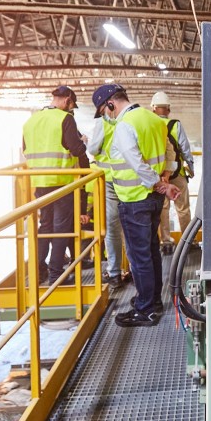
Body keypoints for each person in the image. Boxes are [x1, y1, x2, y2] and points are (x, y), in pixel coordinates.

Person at [90, 83, 180, 327]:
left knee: (140, 257)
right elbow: (168, 154)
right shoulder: (153, 120)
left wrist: (159, 185)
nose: (106, 115)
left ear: (111, 104)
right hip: (152, 199)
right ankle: (152, 300)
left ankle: (146, 309)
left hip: (135, 199)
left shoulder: (124, 126)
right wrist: (164, 182)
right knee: (151, 251)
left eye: (104, 110)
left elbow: (136, 163)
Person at [22, 85, 89, 285]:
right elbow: (77, 149)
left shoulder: (31, 121)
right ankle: (55, 275)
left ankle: (39, 271)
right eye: (71, 105)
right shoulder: (65, 119)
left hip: (40, 182)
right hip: (62, 183)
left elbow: (26, 149)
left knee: (45, 227)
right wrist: (83, 141)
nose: (71, 110)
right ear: (68, 100)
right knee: (61, 229)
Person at [86, 114, 128, 289]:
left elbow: (93, 149)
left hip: (110, 180)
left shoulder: (102, 123)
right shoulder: (130, 120)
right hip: (130, 178)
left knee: (112, 228)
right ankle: (136, 270)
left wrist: (87, 142)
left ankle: (114, 273)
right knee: (133, 227)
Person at [150, 91, 194, 244]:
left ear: (153, 109)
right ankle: (188, 241)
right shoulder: (176, 125)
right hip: (177, 173)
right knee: (183, 208)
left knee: (163, 209)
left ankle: (166, 241)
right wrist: (191, 167)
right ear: (168, 109)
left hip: (159, 176)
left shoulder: (151, 125)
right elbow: (185, 149)